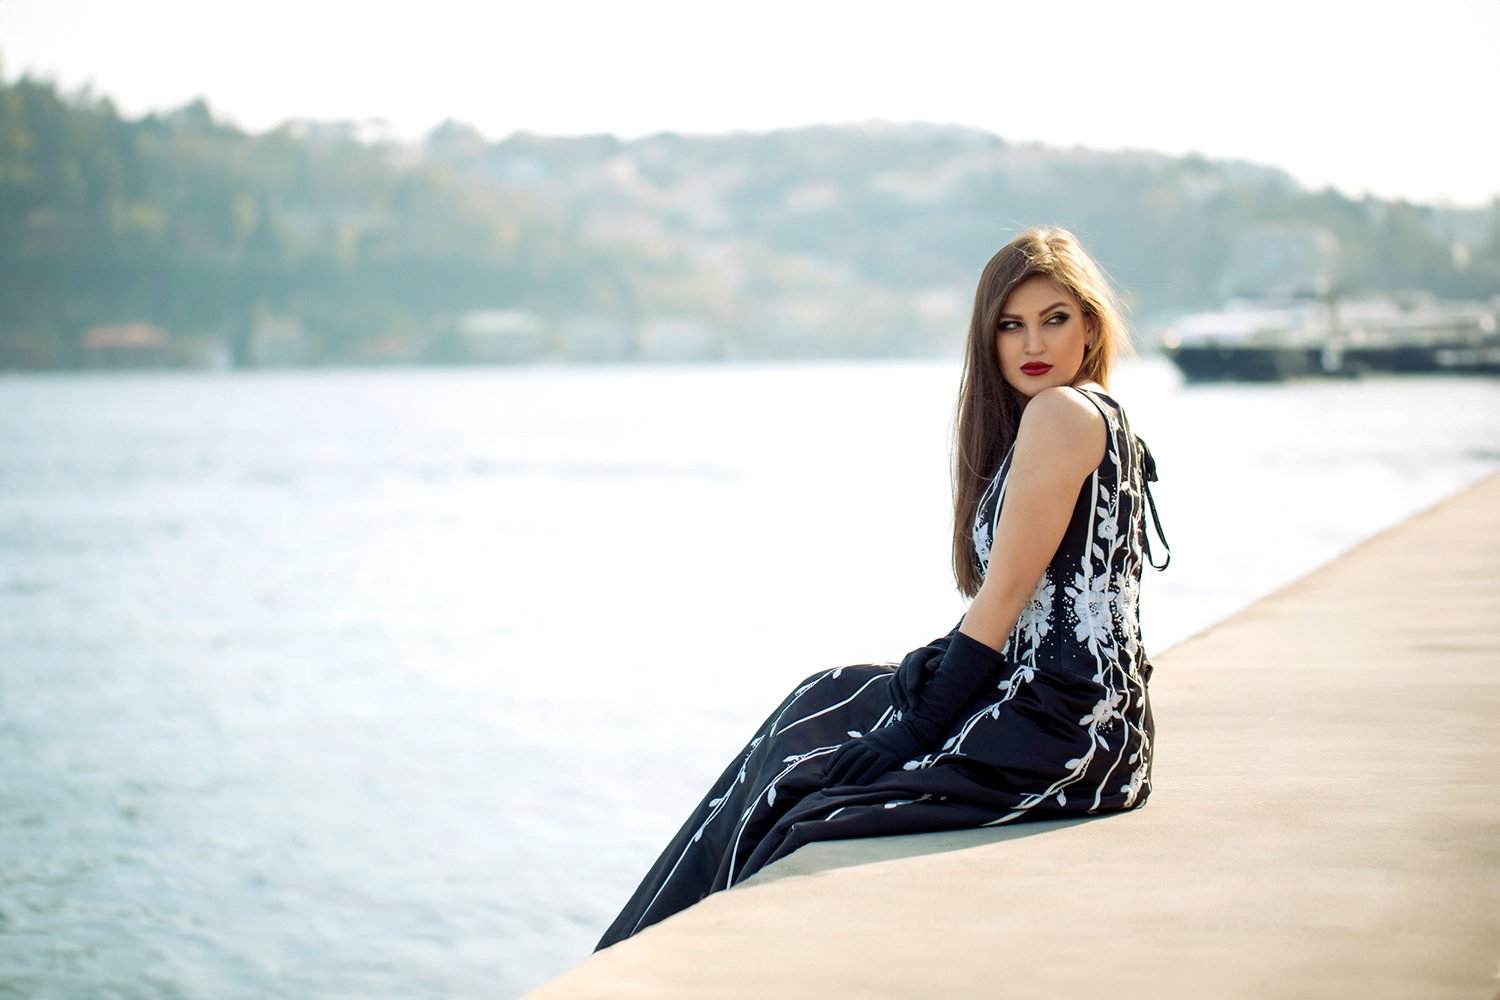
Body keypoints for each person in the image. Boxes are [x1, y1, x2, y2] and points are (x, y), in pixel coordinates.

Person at [596, 226, 1170, 951]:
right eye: (1011, 325)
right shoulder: (1087, 413)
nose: (1033, 343)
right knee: (819, 701)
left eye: (1054, 319)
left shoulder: (1061, 414)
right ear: (988, 338)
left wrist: (918, 728)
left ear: (1089, 324)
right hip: (1070, 712)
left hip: (1068, 733)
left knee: (808, 801)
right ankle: (639, 952)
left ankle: (650, 957)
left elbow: (1004, 595)